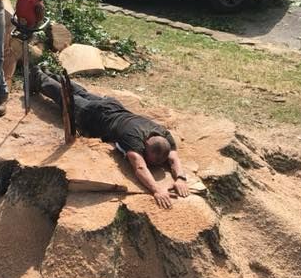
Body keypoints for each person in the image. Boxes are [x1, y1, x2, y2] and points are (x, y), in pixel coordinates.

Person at [34, 68, 190, 208]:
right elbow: (140, 167)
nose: (151, 164)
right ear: (146, 145)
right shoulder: (133, 141)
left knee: (82, 92)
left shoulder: (164, 135)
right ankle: (38, 76)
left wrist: (181, 178)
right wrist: (157, 189)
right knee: (65, 96)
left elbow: (174, 159)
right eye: (150, 159)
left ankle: (50, 72)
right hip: (91, 114)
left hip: (111, 105)